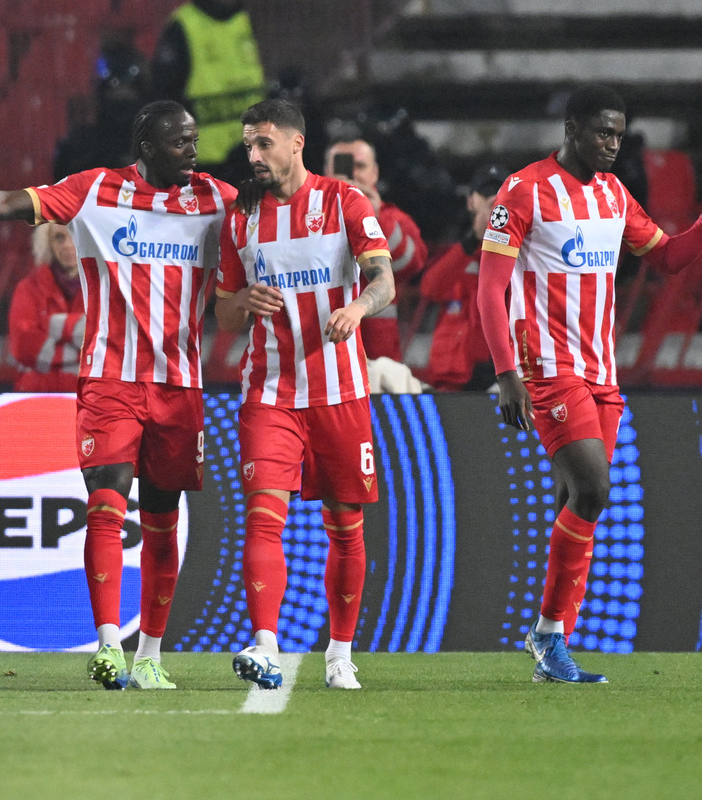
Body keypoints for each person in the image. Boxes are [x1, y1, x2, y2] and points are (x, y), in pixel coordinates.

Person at [0, 101, 238, 691]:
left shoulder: (216, 198)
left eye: (193, 141)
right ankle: (110, 647)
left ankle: (151, 654)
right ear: (147, 147)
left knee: (162, 524)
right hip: (110, 380)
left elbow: (281, 218)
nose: (194, 150)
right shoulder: (94, 191)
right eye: (182, 142)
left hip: (179, 386)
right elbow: (6, 203)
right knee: (107, 505)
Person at [477, 84, 702, 684]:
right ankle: (548, 636)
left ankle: (551, 642)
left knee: (578, 503)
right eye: (603, 132)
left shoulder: (615, 195)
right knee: (593, 490)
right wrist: (506, 372)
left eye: (620, 134)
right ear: (571, 129)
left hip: (603, 374)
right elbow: (489, 289)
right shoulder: (523, 191)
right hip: (547, 369)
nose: (613, 144)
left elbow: (669, 258)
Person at [214, 98, 394, 690]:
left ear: (297, 143)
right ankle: (265, 643)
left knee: (345, 525)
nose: (254, 155)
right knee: (264, 516)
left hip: (340, 392)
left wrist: (357, 308)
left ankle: (340, 654)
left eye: (264, 143)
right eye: (248, 146)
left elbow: (383, 280)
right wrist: (242, 304)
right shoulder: (241, 218)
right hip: (268, 391)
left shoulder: (343, 202)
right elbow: (224, 315)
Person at [324, 137, 426, 362]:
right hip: (323, 349)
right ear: (325, 173)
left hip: (378, 356)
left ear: (375, 173)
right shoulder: (305, 220)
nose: (353, 174)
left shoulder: (393, 219)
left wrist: (375, 218)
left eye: (359, 166)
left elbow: (411, 265)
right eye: (342, 166)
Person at [416, 163, 506, 391]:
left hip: (503, 374)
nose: (492, 201)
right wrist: (474, 239)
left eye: (499, 196)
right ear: (470, 202)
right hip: (455, 377)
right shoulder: (455, 253)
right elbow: (430, 288)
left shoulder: (524, 251)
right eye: (485, 195)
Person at [151, 0, 267, 173]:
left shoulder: (246, 20)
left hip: (250, 159)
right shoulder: (182, 26)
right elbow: (164, 97)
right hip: (205, 166)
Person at [53, 42, 150, 180]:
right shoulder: (81, 148)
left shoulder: (156, 148)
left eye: (127, 94)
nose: (120, 99)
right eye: (114, 93)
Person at [7, 222, 84, 392]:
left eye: (74, 235)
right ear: (47, 242)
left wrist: (50, 326)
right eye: (59, 237)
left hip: (86, 403)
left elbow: (109, 347)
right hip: (35, 401)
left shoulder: (104, 288)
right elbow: (22, 347)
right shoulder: (28, 288)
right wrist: (78, 334)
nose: (68, 244)